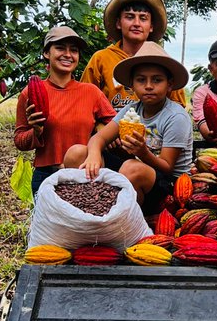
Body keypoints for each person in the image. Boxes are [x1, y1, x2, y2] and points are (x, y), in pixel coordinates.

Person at [66, 42, 193, 212]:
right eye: (141, 80)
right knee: (77, 153)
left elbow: (168, 167)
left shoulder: (176, 117)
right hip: (136, 170)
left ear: (169, 84)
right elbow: (99, 138)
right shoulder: (132, 110)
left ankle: (123, 220)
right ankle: (90, 209)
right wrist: (94, 155)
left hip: (170, 184)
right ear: (132, 85)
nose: (148, 86)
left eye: (157, 80)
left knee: (131, 167)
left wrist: (142, 152)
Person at [14, 25, 117, 198]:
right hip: (47, 175)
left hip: (84, 175)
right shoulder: (30, 92)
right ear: (47, 53)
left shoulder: (91, 92)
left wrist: (100, 127)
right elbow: (19, 140)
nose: (68, 55)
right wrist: (36, 132)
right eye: (60, 48)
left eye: (74, 50)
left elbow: (115, 123)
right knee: (48, 226)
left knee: (83, 225)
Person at [81, 0, 188, 109]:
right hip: (108, 126)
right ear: (118, 23)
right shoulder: (101, 59)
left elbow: (177, 107)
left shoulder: (162, 61)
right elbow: (84, 99)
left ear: (151, 26)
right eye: (130, 17)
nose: (136, 23)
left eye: (143, 18)